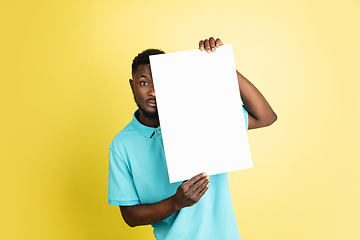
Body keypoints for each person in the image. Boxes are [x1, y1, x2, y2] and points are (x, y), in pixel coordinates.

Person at [108, 37, 277, 240]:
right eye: (144, 83)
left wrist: (222, 64)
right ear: (132, 85)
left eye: (160, 82)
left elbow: (265, 117)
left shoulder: (201, 117)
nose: (152, 92)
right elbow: (130, 216)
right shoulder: (121, 145)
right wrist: (176, 202)